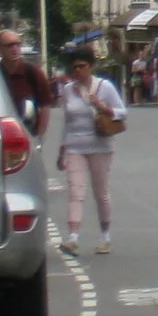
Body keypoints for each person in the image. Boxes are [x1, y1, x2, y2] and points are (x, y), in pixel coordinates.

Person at [54, 49, 127, 255]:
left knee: (101, 192)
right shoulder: (67, 90)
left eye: (82, 66)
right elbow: (66, 123)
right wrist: (62, 151)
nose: (78, 70)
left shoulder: (105, 87)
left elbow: (123, 112)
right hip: (75, 146)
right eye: (75, 67)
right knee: (75, 192)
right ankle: (73, 238)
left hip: (100, 146)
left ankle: (105, 236)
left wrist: (103, 106)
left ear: (90, 66)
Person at [0, 31, 54, 138]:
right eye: (9, 45)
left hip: (28, 134)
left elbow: (45, 105)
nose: (15, 48)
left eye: (17, 44)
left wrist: (39, 136)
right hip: (0, 135)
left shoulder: (32, 72)